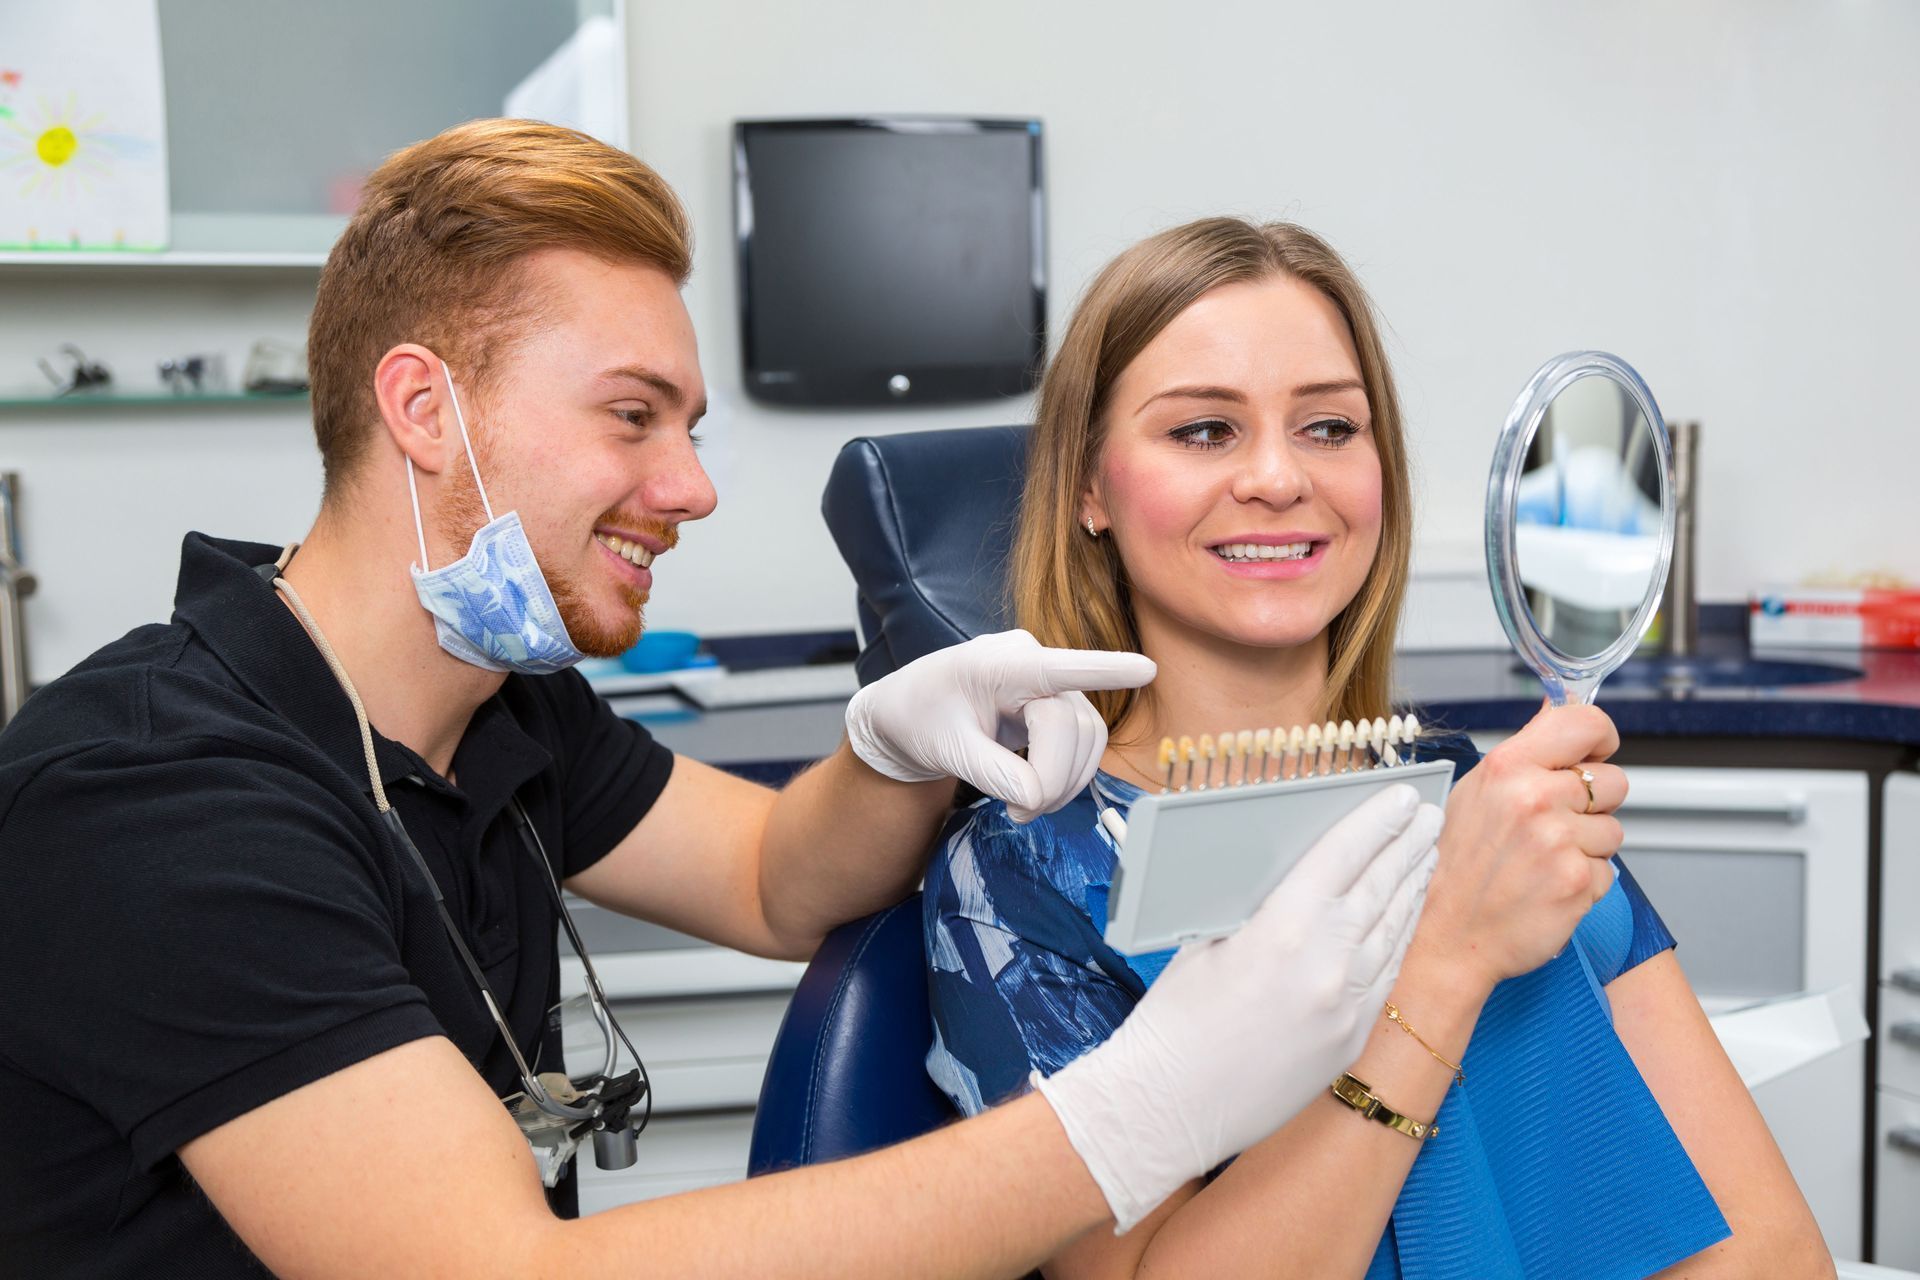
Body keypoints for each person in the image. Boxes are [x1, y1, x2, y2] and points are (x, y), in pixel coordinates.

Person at [0, 122, 1444, 1279]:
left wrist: (889, 747)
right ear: (425, 411)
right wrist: (1149, 1111)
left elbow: (767, 880)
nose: (690, 486)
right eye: (633, 416)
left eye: (689, 429)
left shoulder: (499, 711)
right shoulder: (160, 799)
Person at [922, 217, 1836, 1279]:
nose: (1277, 476)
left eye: (1328, 428)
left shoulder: (1495, 802)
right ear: (1089, 486)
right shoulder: (1027, 872)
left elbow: (1767, 1253)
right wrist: (1447, 954)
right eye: (1205, 430)